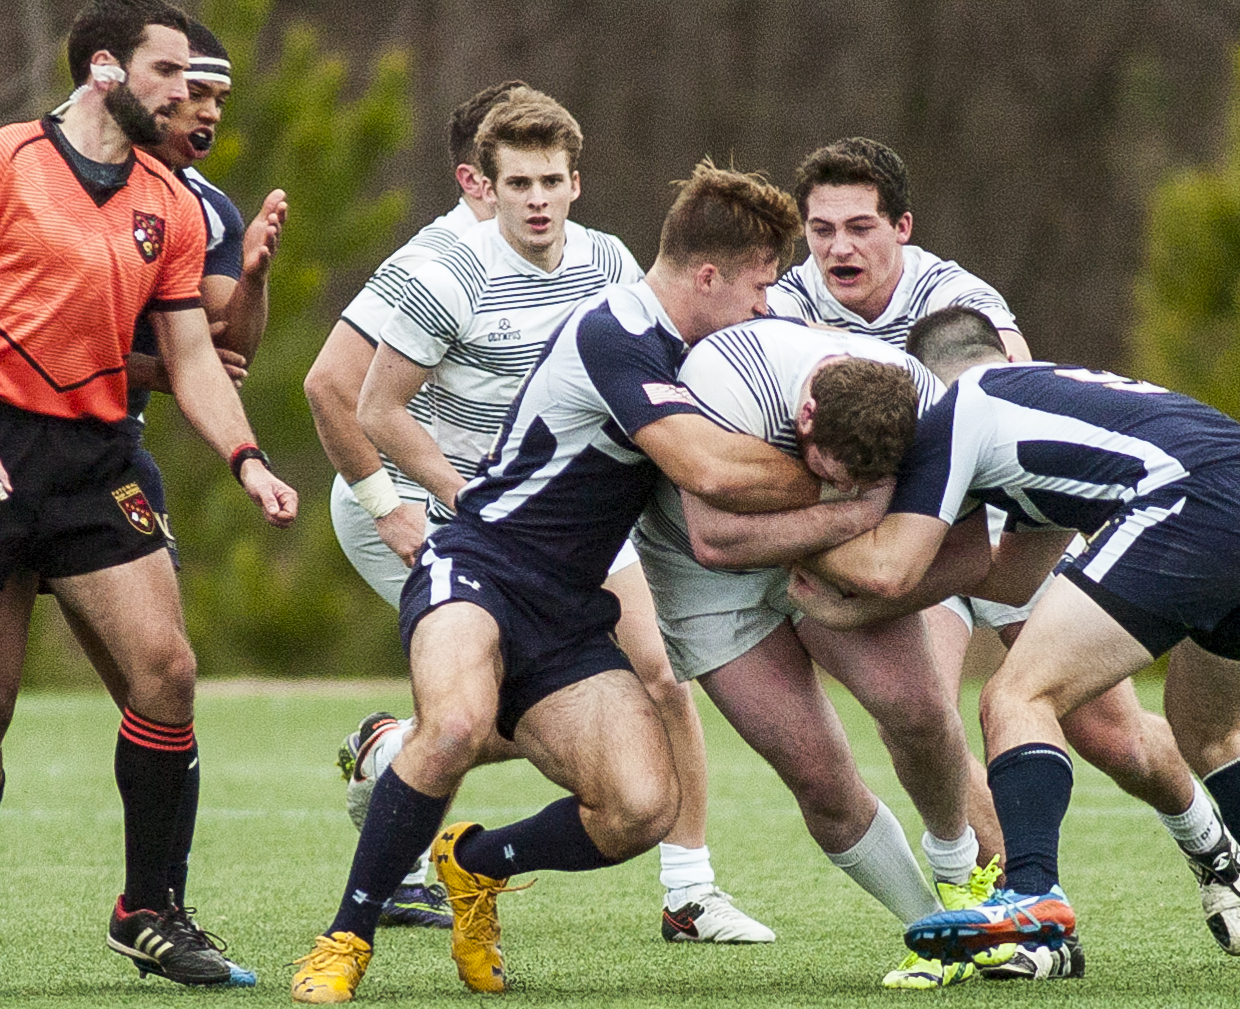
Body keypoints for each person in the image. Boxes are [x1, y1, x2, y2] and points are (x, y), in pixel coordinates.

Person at [0, 0, 298, 998]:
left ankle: (147, 912)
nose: (188, 93)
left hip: (96, 463)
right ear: (103, 71)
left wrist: (247, 458)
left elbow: (190, 358)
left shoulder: (167, 201)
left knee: (167, 672)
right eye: (168, 73)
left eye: (194, 80)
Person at [288, 161, 810, 1004]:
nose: (766, 304)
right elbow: (700, 469)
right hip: (481, 562)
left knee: (641, 806)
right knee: (455, 723)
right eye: (759, 284)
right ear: (707, 275)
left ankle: (473, 863)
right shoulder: (616, 329)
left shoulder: (716, 343)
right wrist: (842, 485)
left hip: (569, 609)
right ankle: (345, 935)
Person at [766, 138, 1240, 978]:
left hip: (1007, 531)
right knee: (922, 712)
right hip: (913, 540)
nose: (838, 249)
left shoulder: (955, 297)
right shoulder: (783, 307)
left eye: (858, 227)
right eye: (820, 230)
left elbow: (1020, 410)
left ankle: (1207, 842)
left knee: (1107, 732)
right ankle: (1009, 916)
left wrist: (979, 566)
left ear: (902, 227)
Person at [801, 307, 1240, 989]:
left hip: (1193, 501)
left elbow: (890, 566)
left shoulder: (955, 409)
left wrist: (801, 569)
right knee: (1209, 733)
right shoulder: (1038, 401)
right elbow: (1007, 575)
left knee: (1016, 693)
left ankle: (1032, 890)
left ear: (923, 377)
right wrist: (863, 602)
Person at [630, 314, 1006, 987]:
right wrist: (849, 509)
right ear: (803, 414)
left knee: (917, 707)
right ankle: (933, 931)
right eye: (823, 467)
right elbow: (715, 537)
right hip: (701, 572)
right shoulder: (728, 378)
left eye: (862, 479)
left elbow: (969, 555)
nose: (839, 480)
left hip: (830, 559)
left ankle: (957, 879)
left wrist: (860, 603)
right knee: (819, 777)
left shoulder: (924, 415)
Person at [300, 79, 522, 930]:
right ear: (476, 176)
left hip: (486, 513)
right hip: (406, 503)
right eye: (517, 167)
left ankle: (389, 755)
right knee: (500, 702)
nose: (539, 185)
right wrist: (387, 505)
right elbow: (328, 385)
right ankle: (391, 803)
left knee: (573, 690)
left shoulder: (560, 256)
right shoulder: (440, 260)